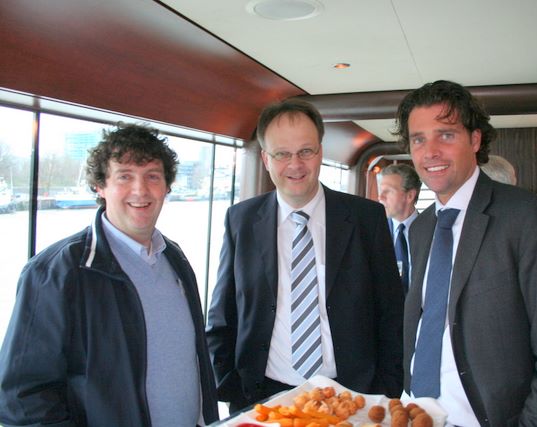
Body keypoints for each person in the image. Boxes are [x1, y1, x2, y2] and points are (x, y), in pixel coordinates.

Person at [394, 80, 537, 426]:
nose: (430, 151)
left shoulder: (528, 217)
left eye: (446, 135)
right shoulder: (422, 227)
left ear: (475, 139)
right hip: (415, 413)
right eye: (418, 139)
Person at [0, 123, 218, 426]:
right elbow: (22, 399)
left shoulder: (174, 257)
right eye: (124, 176)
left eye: (152, 176)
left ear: (166, 187)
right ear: (100, 186)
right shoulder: (56, 272)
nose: (140, 190)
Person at [206, 99, 404, 413]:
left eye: (305, 151)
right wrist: (230, 387)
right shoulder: (241, 220)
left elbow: (391, 311)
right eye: (282, 154)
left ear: (320, 152)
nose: (295, 165)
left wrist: (386, 389)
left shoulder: (367, 218)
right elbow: (223, 315)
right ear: (265, 159)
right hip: (263, 398)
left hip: (351, 397)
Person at [378, 163, 422, 293]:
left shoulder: (433, 231)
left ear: (410, 196)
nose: (380, 197)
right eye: (381, 191)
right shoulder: (375, 232)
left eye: (388, 191)